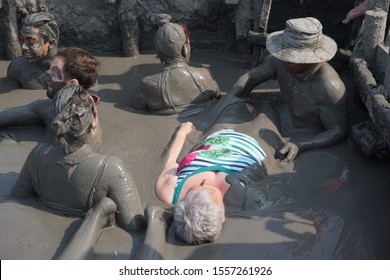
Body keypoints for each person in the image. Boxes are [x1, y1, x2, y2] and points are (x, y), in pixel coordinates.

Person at [11, 85, 146, 235]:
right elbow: (135, 226)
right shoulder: (111, 168)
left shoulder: (37, 154)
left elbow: (19, 195)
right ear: (93, 121)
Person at [228, 17, 347, 162]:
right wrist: (231, 97)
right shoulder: (280, 61)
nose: (284, 63)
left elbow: (337, 131)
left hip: (301, 133)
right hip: (276, 113)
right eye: (283, 56)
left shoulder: (329, 88)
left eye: (291, 60)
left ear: (310, 59)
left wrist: (301, 145)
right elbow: (252, 77)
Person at [155, 121, 268, 244]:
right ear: (223, 217)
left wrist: (182, 132)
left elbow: (169, 159)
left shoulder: (170, 191)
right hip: (250, 139)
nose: (205, 182)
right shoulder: (245, 193)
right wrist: (181, 133)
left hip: (216, 136)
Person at [0, 47, 103, 151]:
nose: (45, 77)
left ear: (72, 84)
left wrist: (10, 147)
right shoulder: (49, 107)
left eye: (53, 74)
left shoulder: (80, 127)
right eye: (49, 69)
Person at [131, 14, 221, 113]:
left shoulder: (148, 85)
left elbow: (135, 108)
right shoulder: (205, 76)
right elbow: (219, 100)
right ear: (185, 49)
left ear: (158, 54)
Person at [6, 12, 59, 89]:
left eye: (31, 42)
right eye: (22, 40)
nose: (23, 47)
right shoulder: (16, 69)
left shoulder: (73, 70)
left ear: (50, 42)